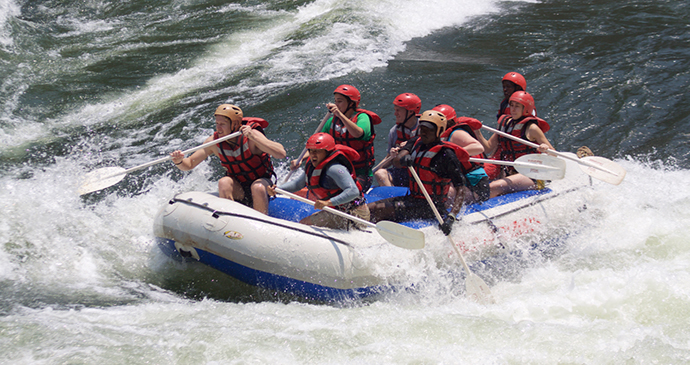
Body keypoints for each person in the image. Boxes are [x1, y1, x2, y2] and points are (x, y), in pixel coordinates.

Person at [368, 110, 489, 236]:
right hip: (413, 199)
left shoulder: (446, 155)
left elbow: (460, 189)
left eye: (429, 129)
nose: (423, 132)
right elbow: (397, 161)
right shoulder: (415, 142)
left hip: (431, 207)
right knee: (369, 208)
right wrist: (404, 157)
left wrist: (452, 217)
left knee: (379, 209)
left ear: (438, 131)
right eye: (422, 128)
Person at [170, 104, 286, 214]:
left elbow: (281, 153)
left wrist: (254, 137)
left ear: (235, 124)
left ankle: (261, 223)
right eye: (217, 123)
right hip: (238, 188)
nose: (218, 128)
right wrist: (179, 161)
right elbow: (189, 164)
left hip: (262, 184)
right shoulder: (214, 142)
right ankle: (230, 220)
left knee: (257, 187)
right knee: (224, 182)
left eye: (223, 124)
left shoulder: (251, 136)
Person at [269, 133, 370, 230]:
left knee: (304, 224)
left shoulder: (335, 169)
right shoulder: (313, 166)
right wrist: (278, 189)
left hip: (354, 215)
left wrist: (328, 202)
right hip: (337, 211)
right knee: (310, 220)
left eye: (317, 151)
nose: (313, 155)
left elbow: (353, 191)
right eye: (311, 151)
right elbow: (298, 184)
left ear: (327, 152)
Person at [473, 91, 554, 198]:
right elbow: (487, 148)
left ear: (526, 109)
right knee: (475, 184)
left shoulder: (532, 128)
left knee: (492, 187)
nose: (513, 109)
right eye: (511, 105)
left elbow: (554, 154)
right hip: (510, 173)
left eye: (517, 106)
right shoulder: (505, 125)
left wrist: (545, 148)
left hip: (531, 175)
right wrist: (477, 131)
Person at [304, 84, 381, 192]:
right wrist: (301, 159)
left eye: (339, 101)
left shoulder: (363, 118)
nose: (336, 104)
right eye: (335, 101)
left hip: (360, 173)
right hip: (337, 170)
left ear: (351, 103)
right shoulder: (332, 121)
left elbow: (358, 133)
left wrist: (340, 114)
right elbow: (317, 146)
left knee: (344, 192)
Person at [434, 104, 490, 203]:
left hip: (475, 187)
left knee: (440, 192)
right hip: (461, 183)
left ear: (449, 122)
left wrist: (452, 155)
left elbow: (478, 147)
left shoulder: (456, 133)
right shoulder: (440, 137)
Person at [374, 92, 421, 187]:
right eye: (395, 110)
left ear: (411, 111)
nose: (395, 114)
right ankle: (392, 201)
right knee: (379, 173)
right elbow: (389, 160)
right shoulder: (394, 131)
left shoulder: (424, 128)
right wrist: (392, 156)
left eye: (398, 110)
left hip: (420, 174)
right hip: (401, 173)